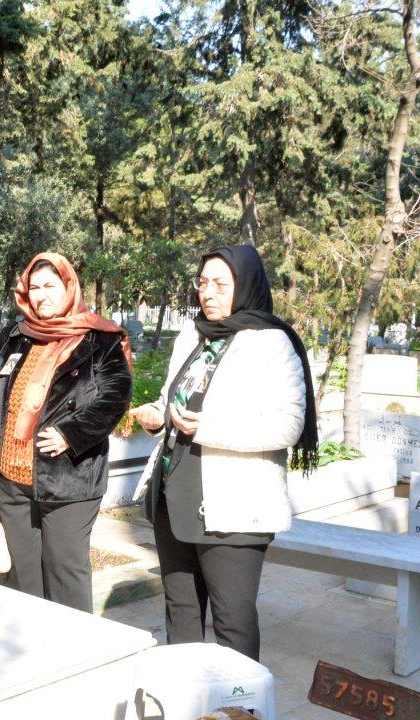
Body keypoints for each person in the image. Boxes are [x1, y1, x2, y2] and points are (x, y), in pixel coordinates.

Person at [130, 244, 317, 661]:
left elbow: (288, 424)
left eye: (220, 284)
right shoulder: (193, 335)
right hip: (174, 497)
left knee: (232, 622)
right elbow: (176, 397)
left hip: (234, 506)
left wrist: (207, 428)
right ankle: (186, 692)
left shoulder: (272, 343)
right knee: (180, 612)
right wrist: (158, 414)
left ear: (245, 285)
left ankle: (239, 698)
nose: (207, 293)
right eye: (202, 282)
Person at [0, 252, 132, 612]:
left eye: (50, 286)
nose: (41, 295)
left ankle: (73, 645)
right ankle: (31, 644)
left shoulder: (99, 339)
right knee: (23, 579)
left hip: (67, 480)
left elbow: (115, 396)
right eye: (34, 287)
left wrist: (70, 434)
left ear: (69, 287)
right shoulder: (15, 336)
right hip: (11, 480)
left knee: (65, 577)